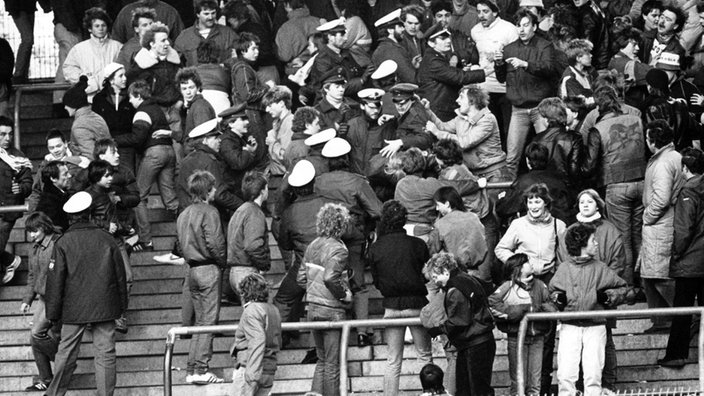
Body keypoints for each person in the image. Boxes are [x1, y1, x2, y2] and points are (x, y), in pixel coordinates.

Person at [44, 191, 128, 396]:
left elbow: (55, 282)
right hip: (105, 305)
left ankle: (54, 394)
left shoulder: (63, 243)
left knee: (66, 352)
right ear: (90, 214)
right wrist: (121, 306)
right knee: (105, 354)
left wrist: (52, 314)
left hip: (73, 307)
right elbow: (121, 276)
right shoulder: (107, 239)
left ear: (70, 218)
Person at [316, 137, 382, 345]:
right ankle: (362, 331)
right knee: (358, 284)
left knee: (328, 278)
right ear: (346, 158)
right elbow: (377, 210)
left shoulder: (318, 182)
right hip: (353, 234)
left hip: (326, 235)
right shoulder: (357, 181)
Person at [550, 223, 628, 396]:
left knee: (593, 372)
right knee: (566, 373)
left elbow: (623, 289)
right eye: (593, 240)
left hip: (595, 325)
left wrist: (607, 297)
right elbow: (552, 292)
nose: (597, 243)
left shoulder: (600, 268)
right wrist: (558, 298)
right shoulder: (564, 269)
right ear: (582, 244)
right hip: (570, 325)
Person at [368, 200, 432, 396]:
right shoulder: (418, 245)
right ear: (404, 220)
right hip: (417, 304)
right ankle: (430, 392)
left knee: (393, 359)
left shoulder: (376, 248)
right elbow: (426, 274)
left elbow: (377, 281)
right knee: (424, 356)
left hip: (391, 305)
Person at [588, 86, 646, 285]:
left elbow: (590, 164)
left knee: (623, 238)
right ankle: (645, 284)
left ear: (598, 106)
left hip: (616, 184)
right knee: (639, 235)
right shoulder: (637, 120)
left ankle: (628, 286)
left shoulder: (598, 129)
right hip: (641, 181)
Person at [495, 8, 559, 178]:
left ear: (535, 27)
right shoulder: (508, 49)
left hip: (541, 109)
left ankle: (548, 188)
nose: (521, 29)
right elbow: (501, 78)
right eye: (518, 26)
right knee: (512, 157)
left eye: (525, 25)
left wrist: (525, 64)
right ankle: (510, 194)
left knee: (548, 154)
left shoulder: (545, 45)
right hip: (518, 109)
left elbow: (549, 69)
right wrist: (498, 64)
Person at [176, 170, 227, 384]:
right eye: (213, 187)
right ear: (207, 190)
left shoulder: (184, 213)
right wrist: (223, 262)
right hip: (208, 268)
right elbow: (215, 243)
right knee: (208, 321)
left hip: (191, 270)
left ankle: (192, 369)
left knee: (199, 322)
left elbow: (179, 244)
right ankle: (202, 368)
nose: (215, 191)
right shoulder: (210, 212)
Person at [297, 203, 352, 396]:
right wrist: (344, 294)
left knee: (321, 360)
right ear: (341, 224)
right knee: (332, 363)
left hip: (312, 308)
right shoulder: (339, 249)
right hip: (332, 310)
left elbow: (301, 278)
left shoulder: (312, 246)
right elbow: (330, 277)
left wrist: (315, 293)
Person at [273, 160, 328, 349]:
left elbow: (285, 244)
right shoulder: (327, 203)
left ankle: (278, 339)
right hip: (329, 263)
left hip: (303, 265)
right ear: (313, 182)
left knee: (283, 298)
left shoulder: (289, 212)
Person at [424, 252, 495, 396]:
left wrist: (438, 330)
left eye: (435, 277)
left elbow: (459, 321)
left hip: (473, 343)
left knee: (470, 389)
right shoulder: (467, 279)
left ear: (444, 271)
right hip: (481, 339)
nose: (435, 282)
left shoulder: (454, 289)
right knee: (477, 388)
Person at [659, 147, 704, 367]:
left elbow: (684, 230)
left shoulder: (689, 191)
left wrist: (676, 254)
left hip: (690, 260)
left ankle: (677, 354)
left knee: (683, 310)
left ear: (685, 168)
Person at [122, 79, 179, 252]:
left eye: (131, 97)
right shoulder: (157, 109)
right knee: (170, 199)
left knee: (139, 196)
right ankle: (186, 232)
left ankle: (146, 240)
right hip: (169, 151)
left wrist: (116, 140)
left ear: (138, 95)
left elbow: (137, 139)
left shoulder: (141, 112)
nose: (130, 101)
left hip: (154, 154)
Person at [489, 253, 555, 396]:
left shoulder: (540, 285)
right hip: (516, 338)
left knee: (535, 382)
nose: (530, 264)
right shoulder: (508, 286)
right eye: (526, 262)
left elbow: (550, 304)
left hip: (538, 337)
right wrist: (516, 312)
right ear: (517, 268)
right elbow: (492, 304)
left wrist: (542, 309)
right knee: (518, 382)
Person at [641, 120, 685, 333]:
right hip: (668, 223)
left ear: (652, 141)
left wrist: (647, 217)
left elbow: (661, 200)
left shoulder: (661, 163)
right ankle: (664, 321)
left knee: (658, 276)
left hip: (660, 225)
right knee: (654, 276)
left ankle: (678, 319)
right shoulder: (675, 157)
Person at [424, 84, 509, 184]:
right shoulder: (461, 118)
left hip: (494, 174)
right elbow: (443, 127)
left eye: (461, 97)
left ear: (472, 101)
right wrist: (427, 111)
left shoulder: (487, 119)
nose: (457, 101)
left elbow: (464, 143)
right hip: (475, 174)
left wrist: (437, 133)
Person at [19, 212, 62, 391]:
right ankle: (46, 378)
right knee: (34, 337)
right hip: (44, 298)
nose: (31, 235)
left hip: (57, 298)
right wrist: (27, 299)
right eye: (29, 232)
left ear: (44, 227)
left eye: (34, 231)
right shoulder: (35, 247)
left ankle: (64, 362)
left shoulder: (58, 244)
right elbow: (32, 276)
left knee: (37, 334)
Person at [470, 0, 519, 143]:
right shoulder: (475, 31)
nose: (481, 15)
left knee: (508, 129)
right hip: (485, 87)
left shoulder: (509, 29)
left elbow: (517, 56)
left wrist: (501, 58)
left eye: (485, 11)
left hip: (505, 87)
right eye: (479, 12)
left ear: (495, 12)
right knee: (489, 128)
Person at [126, 22, 182, 137]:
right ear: (152, 44)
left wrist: (179, 102)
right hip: (155, 112)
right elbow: (136, 89)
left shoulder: (175, 61)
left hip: (175, 110)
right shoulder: (140, 65)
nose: (167, 43)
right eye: (163, 40)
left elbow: (182, 81)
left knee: (178, 149)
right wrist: (152, 108)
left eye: (167, 39)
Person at [417, 28, 486, 122]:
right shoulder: (433, 60)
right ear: (431, 43)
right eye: (442, 38)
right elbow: (459, 77)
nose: (449, 40)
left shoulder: (435, 56)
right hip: (438, 110)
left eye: (448, 37)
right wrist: (485, 72)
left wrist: (460, 70)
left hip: (440, 108)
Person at [232, 273, 282, 395]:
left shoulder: (251, 310)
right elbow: (278, 340)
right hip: (268, 369)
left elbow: (257, 340)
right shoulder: (273, 309)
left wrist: (252, 373)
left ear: (244, 293)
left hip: (251, 367)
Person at [62, 7, 123, 103]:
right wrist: (84, 80)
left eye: (103, 25)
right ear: (90, 28)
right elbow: (69, 68)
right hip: (89, 99)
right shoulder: (79, 49)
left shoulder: (117, 47)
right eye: (97, 26)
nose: (101, 29)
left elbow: (124, 68)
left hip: (113, 98)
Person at [429, 185, 489, 278]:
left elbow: (432, 251)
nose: (437, 209)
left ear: (447, 204)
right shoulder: (474, 217)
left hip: (453, 273)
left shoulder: (440, 225)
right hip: (476, 271)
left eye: (438, 205)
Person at [227, 171, 271, 297]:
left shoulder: (240, 210)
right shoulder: (254, 213)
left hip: (236, 271)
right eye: (266, 187)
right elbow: (253, 245)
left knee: (250, 313)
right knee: (256, 314)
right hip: (247, 271)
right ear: (262, 191)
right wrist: (263, 264)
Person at [0, 116, 32, 285]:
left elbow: (28, 184)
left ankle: (9, 261)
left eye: (10, 134)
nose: (7, 138)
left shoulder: (18, 157)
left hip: (6, 213)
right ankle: (10, 260)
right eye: (2, 134)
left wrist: (20, 189)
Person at [92, 63, 137, 172]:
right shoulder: (99, 99)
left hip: (127, 145)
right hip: (106, 146)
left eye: (124, 75)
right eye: (121, 76)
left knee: (127, 175)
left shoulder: (131, 97)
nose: (125, 79)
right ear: (111, 80)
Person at [174, 0, 239, 67]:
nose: (210, 17)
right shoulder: (185, 36)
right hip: (195, 76)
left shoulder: (228, 33)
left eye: (213, 13)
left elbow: (240, 56)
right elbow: (176, 62)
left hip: (221, 76)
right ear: (198, 14)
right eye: (206, 14)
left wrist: (226, 64)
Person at [63, 76, 111, 160]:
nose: (65, 108)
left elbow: (90, 156)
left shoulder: (79, 126)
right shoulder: (98, 117)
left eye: (67, 104)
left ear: (74, 105)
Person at [275, 0, 321, 76]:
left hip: (297, 72)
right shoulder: (318, 21)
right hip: (320, 66)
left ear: (287, 6)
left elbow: (285, 56)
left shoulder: (286, 28)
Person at [371, 9, 417, 84]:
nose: (403, 29)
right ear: (390, 30)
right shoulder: (392, 50)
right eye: (399, 26)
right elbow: (411, 78)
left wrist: (412, 65)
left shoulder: (384, 47)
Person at [175, 67, 216, 148]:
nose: (188, 92)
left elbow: (203, 138)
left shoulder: (200, 107)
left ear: (198, 87)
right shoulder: (192, 106)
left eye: (191, 87)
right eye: (184, 89)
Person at [111, 0, 184, 44]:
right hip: (133, 63)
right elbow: (116, 42)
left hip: (162, 63)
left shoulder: (169, 12)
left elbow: (180, 44)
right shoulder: (125, 12)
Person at [639, 5, 686, 69]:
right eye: (662, 17)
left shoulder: (677, 50)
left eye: (668, 20)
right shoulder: (644, 37)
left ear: (675, 26)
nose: (662, 21)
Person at [114, 7, 156, 75]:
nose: (149, 28)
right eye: (144, 25)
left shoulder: (164, 41)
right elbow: (120, 73)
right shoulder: (129, 48)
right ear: (136, 29)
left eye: (151, 23)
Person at [35, 161, 72, 231]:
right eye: (65, 174)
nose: (69, 176)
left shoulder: (62, 195)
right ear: (53, 178)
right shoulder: (48, 202)